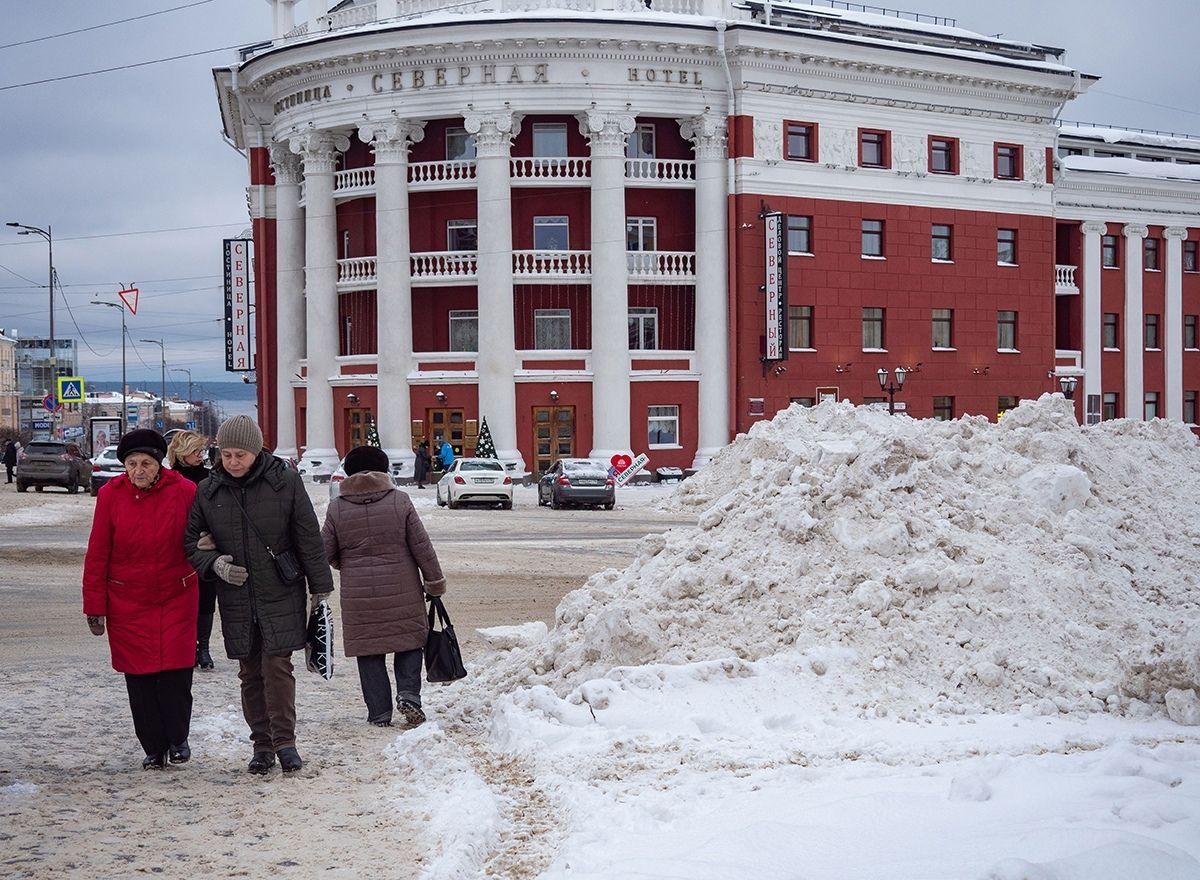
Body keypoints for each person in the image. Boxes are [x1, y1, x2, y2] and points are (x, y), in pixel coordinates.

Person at [185, 415, 333, 775]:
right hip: (235, 594)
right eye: (226, 455)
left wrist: (321, 588)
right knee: (249, 671)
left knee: (277, 666)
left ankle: (285, 743)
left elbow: (308, 536)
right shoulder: (208, 490)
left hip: (279, 588)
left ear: (256, 451)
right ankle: (261, 745)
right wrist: (215, 564)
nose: (232, 462)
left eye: (240, 455)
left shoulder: (285, 481)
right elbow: (192, 542)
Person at [82, 429, 199, 770]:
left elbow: (201, 537)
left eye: (145, 463)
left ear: (159, 463)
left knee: (176, 677)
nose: (138, 471)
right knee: (140, 680)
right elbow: (98, 554)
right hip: (127, 600)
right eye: (131, 464)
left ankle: (178, 738)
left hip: (177, 595)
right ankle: (153, 746)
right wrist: (94, 607)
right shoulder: (110, 495)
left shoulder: (185, 491)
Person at [321, 445, 446, 728]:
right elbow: (421, 546)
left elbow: (324, 553)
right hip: (403, 586)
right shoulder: (399, 501)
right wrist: (434, 582)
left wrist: (348, 563)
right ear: (384, 469)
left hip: (358, 594)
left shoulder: (336, 508)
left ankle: (379, 712)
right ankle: (409, 695)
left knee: (368, 650)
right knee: (410, 641)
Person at [167, 430, 218, 671]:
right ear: (181, 453)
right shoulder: (169, 479)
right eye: (195, 451)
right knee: (180, 599)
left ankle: (203, 648)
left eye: (201, 451)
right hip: (176, 545)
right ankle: (182, 647)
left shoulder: (210, 478)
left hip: (205, 544)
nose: (200, 455)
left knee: (207, 597)